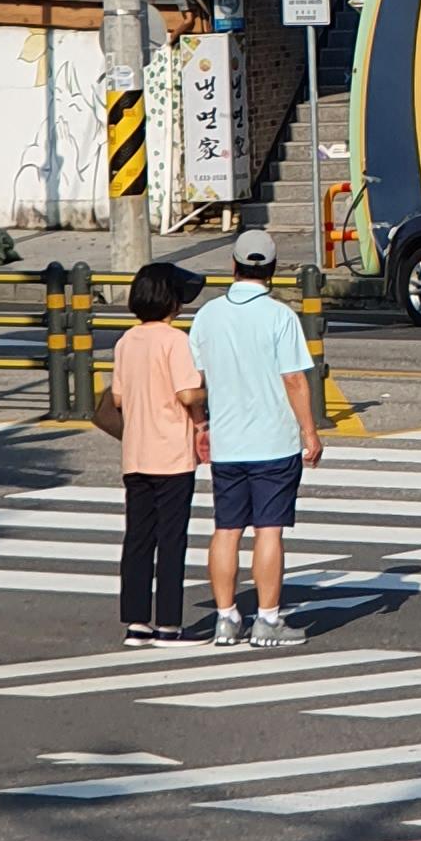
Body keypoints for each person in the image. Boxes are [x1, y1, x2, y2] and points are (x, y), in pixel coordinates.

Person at [187, 230, 321, 650]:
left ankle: (226, 618)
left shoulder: (208, 315)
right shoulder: (280, 316)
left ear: (233, 265)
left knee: (226, 529)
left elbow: (196, 379)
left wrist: (200, 426)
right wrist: (310, 431)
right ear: (273, 270)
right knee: (269, 530)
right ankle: (267, 619)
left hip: (228, 441)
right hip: (274, 441)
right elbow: (294, 379)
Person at [108, 260, 207, 646]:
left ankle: (136, 622)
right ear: (172, 301)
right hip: (172, 455)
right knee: (171, 540)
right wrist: (207, 390)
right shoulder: (175, 341)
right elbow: (187, 394)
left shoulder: (126, 341)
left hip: (136, 453)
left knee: (137, 538)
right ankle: (168, 623)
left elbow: (117, 398)